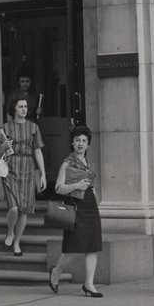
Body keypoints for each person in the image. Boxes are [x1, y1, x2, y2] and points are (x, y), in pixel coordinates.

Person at [47, 125, 104, 297]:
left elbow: (91, 185)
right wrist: (77, 185)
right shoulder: (67, 163)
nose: (80, 144)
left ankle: (89, 284)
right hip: (75, 205)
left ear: (88, 144)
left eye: (84, 141)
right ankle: (56, 271)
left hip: (90, 205)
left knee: (92, 246)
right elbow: (58, 188)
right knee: (72, 246)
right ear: (72, 142)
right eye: (77, 140)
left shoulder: (89, 162)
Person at [0, 96, 46, 256]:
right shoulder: (5, 128)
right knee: (13, 208)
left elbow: (37, 150)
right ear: (14, 109)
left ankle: (17, 242)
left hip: (27, 167)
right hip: (10, 167)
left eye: (25, 106)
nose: (24, 109)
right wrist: (4, 146)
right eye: (21, 106)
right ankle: (10, 232)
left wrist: (43, 173)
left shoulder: (33, 127)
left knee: (24, 209)